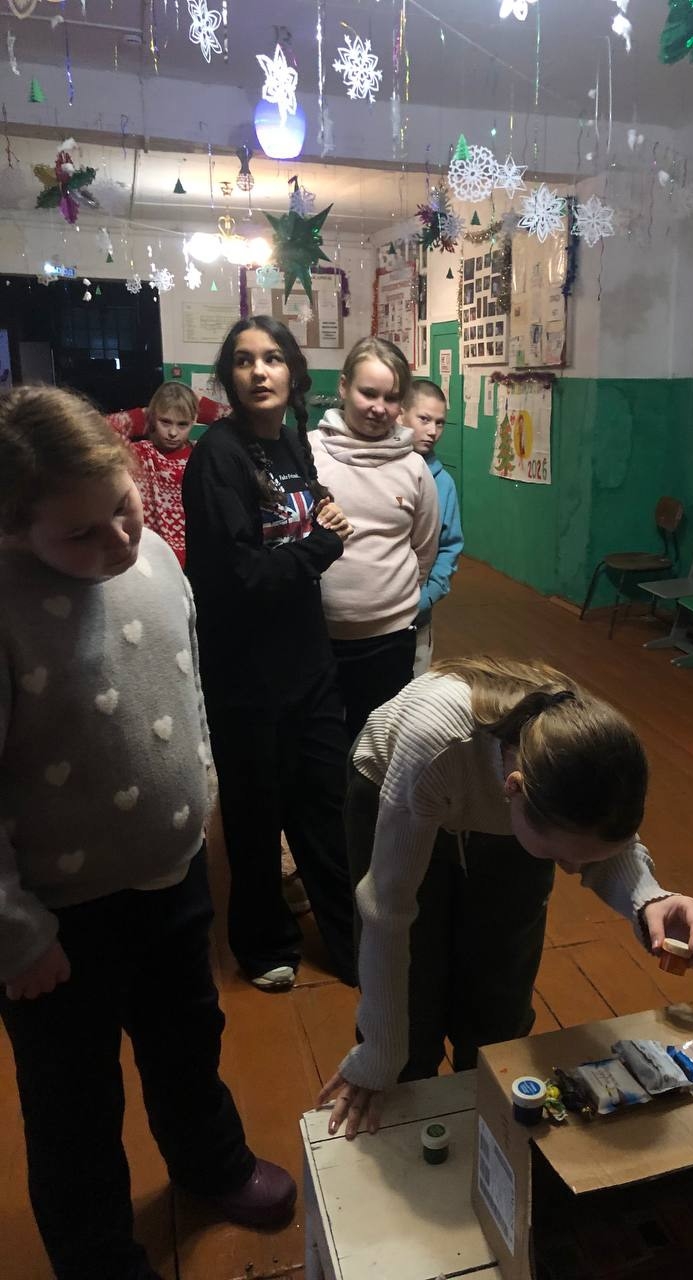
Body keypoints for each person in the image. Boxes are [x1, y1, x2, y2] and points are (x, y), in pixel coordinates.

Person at [0, 386, 297, 1280]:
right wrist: (16, 933)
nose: (119, 540)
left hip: (172, 876)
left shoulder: (160, 557)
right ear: (15, 528)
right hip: (57, 920)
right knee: (74, 1103)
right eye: (79, 534)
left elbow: (184, 685)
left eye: (123, 508)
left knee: (187, 1041)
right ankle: (97, 1256)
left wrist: (201, 790)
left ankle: (212, 1163)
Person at [316, 658, 693, 1138]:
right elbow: (387, 910)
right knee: (413, 987)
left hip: (515, 817)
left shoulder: (573, 749)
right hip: (395, 783)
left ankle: (487, 1099)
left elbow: (601, 840)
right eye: (560, 857)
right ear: (514, 789)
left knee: (500, 992)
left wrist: (647, 898)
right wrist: (379, 1053)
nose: (571, 871)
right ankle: (406, 1104)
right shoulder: (434, 741)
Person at [182, 316, 356, 992]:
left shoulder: (290, 442)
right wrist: (323, 545)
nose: (260, 371)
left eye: (273, 358)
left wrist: (323, 511)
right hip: (245, 676)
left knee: (325, 806)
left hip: (308, 665)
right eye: (245, 360)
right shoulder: (216, 458)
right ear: (229, 378)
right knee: (256, 816)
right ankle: (262, 944)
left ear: (293, 374)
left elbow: (299, 512)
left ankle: (350, 939)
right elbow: (242, 576)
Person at [311, 337, 440, 740]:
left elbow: (424, 547)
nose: (379, 408)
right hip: (314, 635)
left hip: (390, 638)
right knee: (321, 743)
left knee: (379, 743)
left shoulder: (414, 468)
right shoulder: (308, 452)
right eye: (368, 393)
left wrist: (393, 601)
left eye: (391, 398)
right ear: (343, 386)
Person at [107, 383, 229, 567]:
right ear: (153, 419)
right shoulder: (139, 454)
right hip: (149, 558)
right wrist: (148, 414)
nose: (173, 433)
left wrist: (200, 404)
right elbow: (100, 428)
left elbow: (241, 422)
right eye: (165, 422)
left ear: (194, 420)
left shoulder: (201, 455)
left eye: (182, 424)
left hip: (196, 558)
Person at [401, 378, 464, 677]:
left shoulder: (443, 483)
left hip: (418, 616)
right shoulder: (383, 470)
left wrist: (427, 596)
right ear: (401, 414)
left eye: (440, 423)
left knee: (413, 689)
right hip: (371, 614)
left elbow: (450, 545)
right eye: (424, 419)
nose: (432, 431)